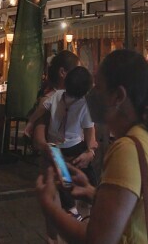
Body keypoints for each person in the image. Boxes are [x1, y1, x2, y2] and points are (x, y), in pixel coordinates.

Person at [36, 48, 148, 243]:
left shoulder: (127, 149)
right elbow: (132, 208)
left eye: (98, 87)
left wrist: (49, 205)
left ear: (118, 96)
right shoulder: (144, 139)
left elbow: (96, 240)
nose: (91, 94)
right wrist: (92, 192)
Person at [35, 66, 97, 240]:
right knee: (79, 180)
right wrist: (90, 150)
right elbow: (89, 132)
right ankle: (77, 209)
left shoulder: (53, 98)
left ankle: (72, 210)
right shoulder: (81, 103)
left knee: (65, 181)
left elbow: (39, 128)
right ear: (62, 72)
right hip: (68, 150)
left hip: (58, 149)